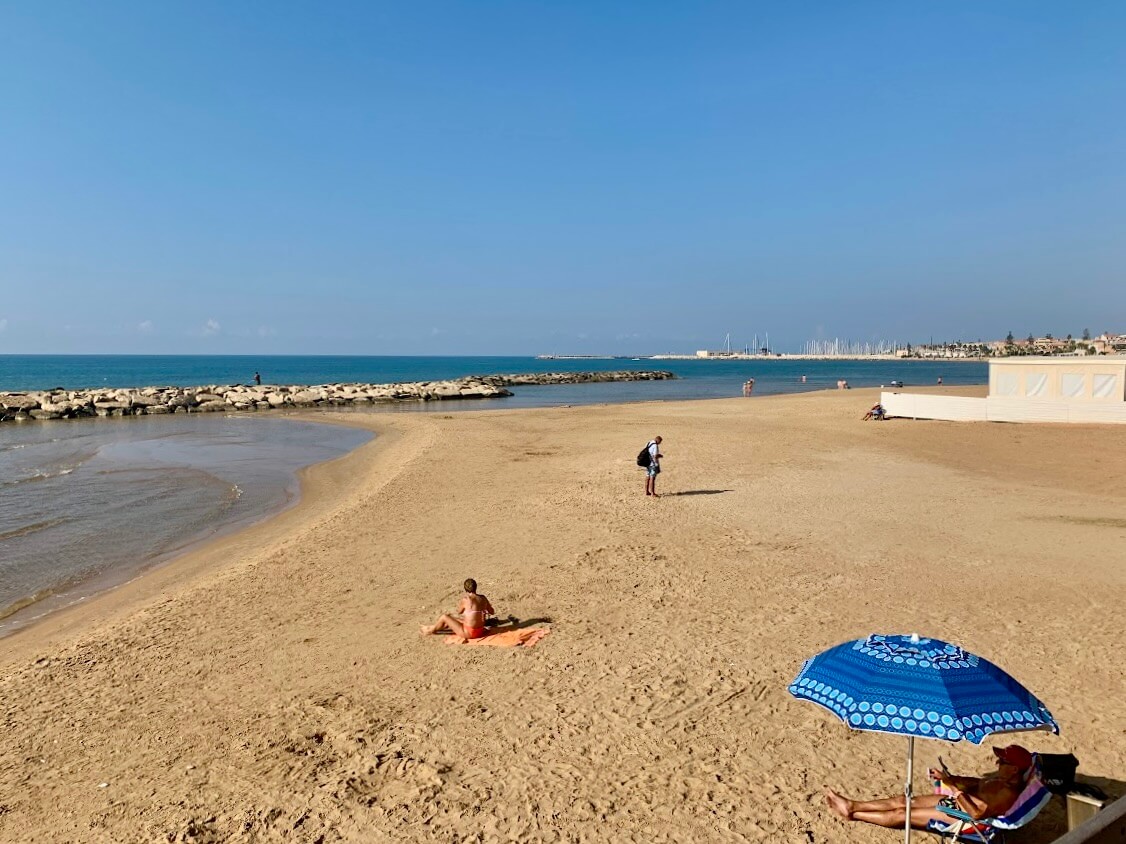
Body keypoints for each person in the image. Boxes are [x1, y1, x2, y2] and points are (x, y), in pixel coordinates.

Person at [825, 744, 1033, 832]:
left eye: (1002, 762)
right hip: (958, 801)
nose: (997, 764)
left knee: (902, 813)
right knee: (904, 800)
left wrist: (953, 787)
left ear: (1014, 769)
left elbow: (977, 814)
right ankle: (852, 805)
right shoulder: (1002, 780)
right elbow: (978, 783)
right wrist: (950, 778)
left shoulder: (1008, 794)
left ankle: (855, 815)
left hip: (961, 814)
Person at [420, 578, 496, 642]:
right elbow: (492, 612)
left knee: (445, 617)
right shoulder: (483, 598)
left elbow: (459, 611)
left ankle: (430, 630)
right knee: (454, 620)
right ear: (476, 587)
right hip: (480, 631)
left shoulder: (466, 599)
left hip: (469, 633)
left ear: (465, 589)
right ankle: (433, 627)